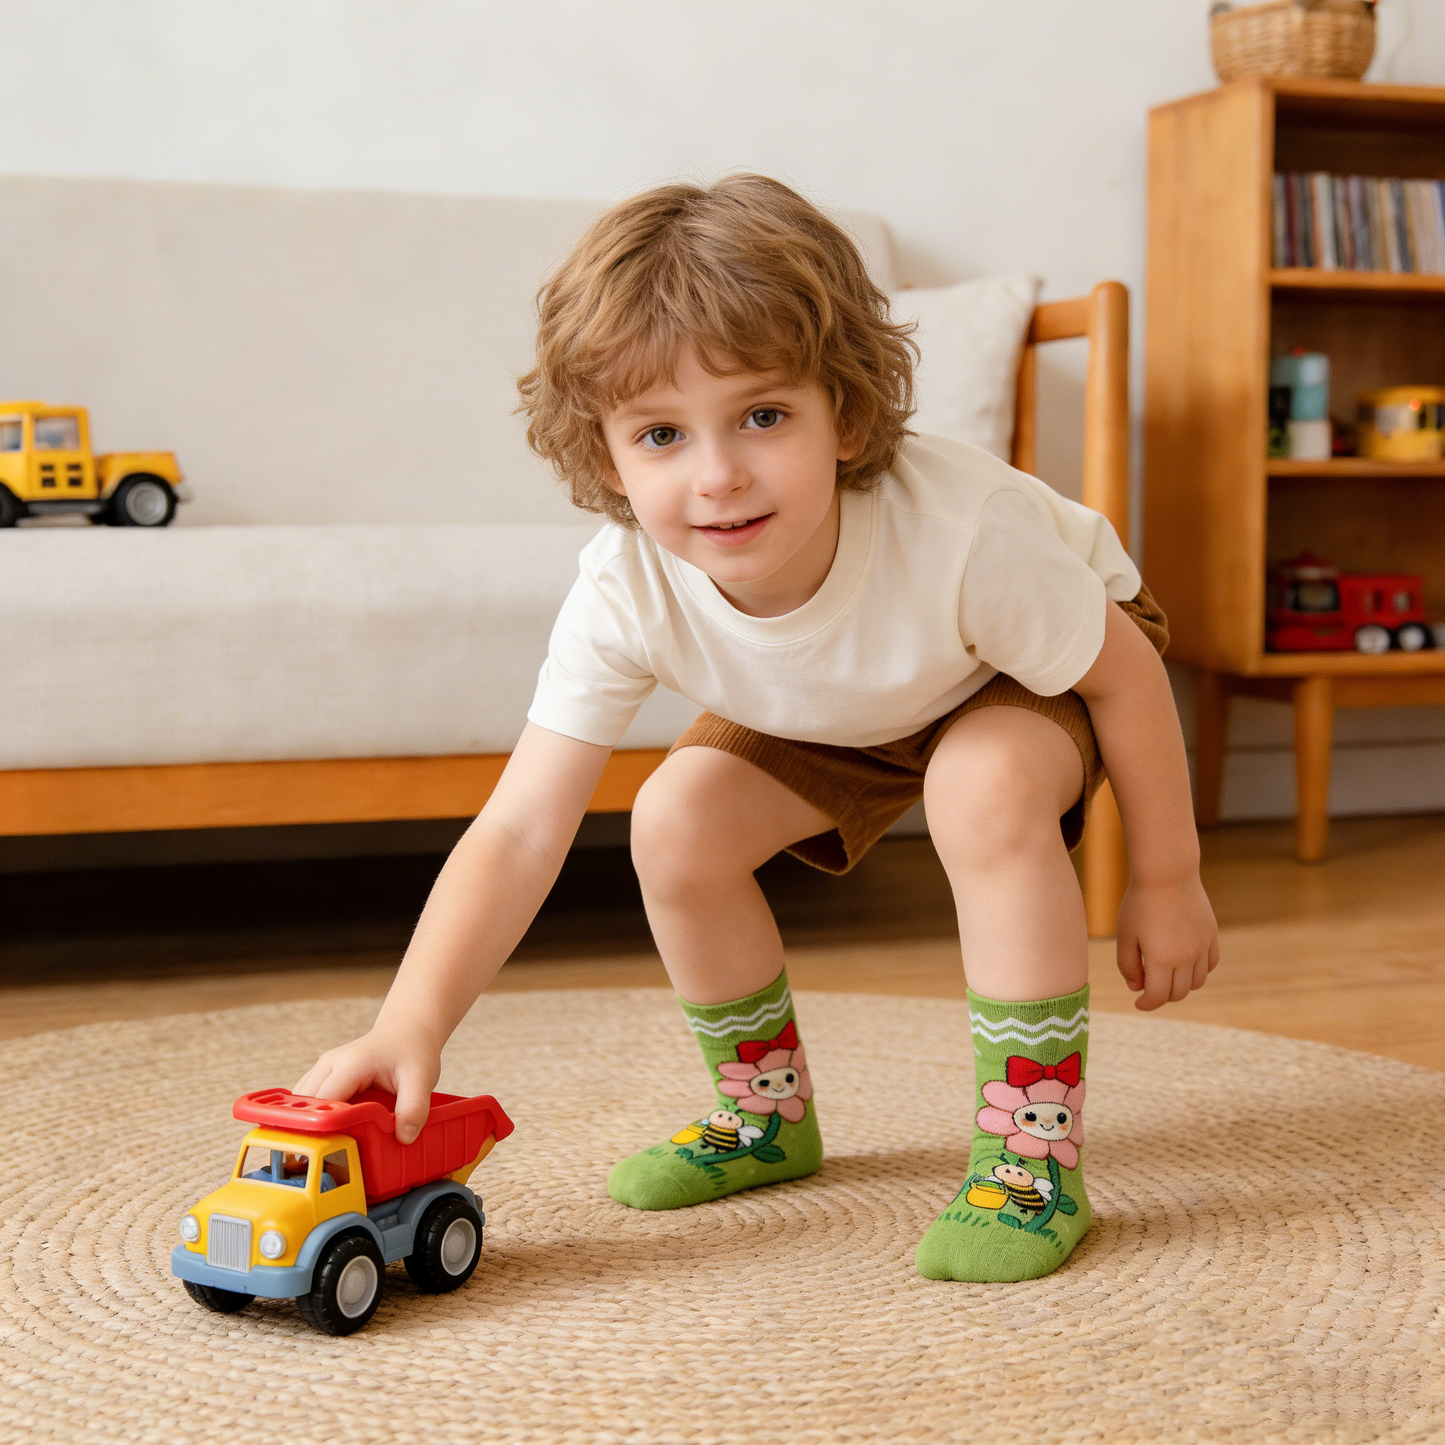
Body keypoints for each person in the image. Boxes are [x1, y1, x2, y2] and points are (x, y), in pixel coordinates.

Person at [294, 174, 1218, 1282]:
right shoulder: (624, 585)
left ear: (848, 414)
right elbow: (518, 831)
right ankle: (764, 1115)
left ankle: (1029, 1161)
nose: (717, 475)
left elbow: (1124, 679)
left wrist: (1165, 878)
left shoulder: (966, 536)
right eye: (660, 434)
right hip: (840, 705)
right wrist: (411, 1022)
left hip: (1018, 673)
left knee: (977, 786)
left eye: (763, 416)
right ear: (602, 455)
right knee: (673, 816)